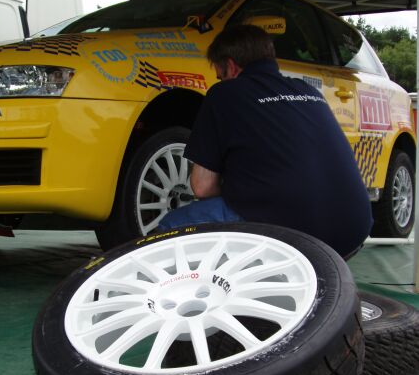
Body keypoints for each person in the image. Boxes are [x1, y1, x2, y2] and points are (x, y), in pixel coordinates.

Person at [157, 24, 372, 258]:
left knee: (170, 226)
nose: (219, 79)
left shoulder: (224, 94)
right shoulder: (308, 92)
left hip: (299, 235)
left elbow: (203, 187)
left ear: (230, 66)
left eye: (219, 74)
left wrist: (238, 187)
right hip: (353, 230)